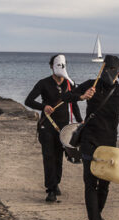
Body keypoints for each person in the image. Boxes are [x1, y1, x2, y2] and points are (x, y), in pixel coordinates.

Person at [64, 55, 119, 220]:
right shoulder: (91, 84)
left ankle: (97, 215)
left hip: (109, 144)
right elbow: (66, 96)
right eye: (106, 69)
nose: (109, 73)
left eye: (113, 70)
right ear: (102, 69)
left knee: (105, 184)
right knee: (90, 183)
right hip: (89, 141)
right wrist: (82, 96)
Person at [24, 54, 82, 202]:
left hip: (63, 128)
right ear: (51, 66)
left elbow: (74, 104)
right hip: (47, 126)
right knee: (48, 157)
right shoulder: (43, 83)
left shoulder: (70, 84)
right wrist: (44, 107)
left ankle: (56, 183)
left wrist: (81, 122)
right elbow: (29, 100)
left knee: (59, 157)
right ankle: (50, 189)